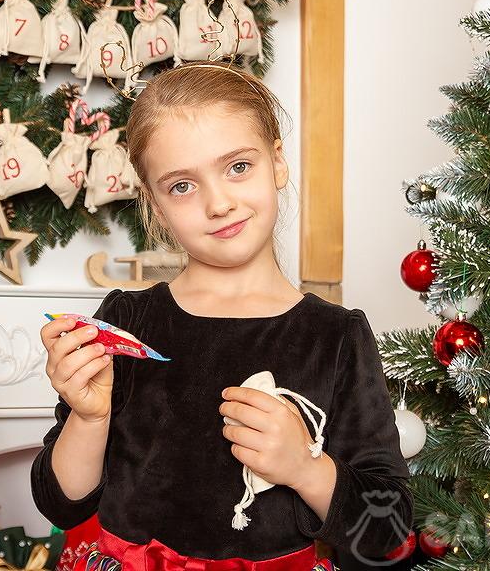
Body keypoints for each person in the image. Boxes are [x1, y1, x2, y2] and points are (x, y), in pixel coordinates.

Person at [32, 62, 412, 570]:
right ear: (155, 204)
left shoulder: (336, 336)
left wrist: (305, 467)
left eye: (238, 167)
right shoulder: (127, 321)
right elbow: (60, 501)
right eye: (182, 186)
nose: (219, 203)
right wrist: (88, 417)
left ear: (277, 162)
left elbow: (386, 531)